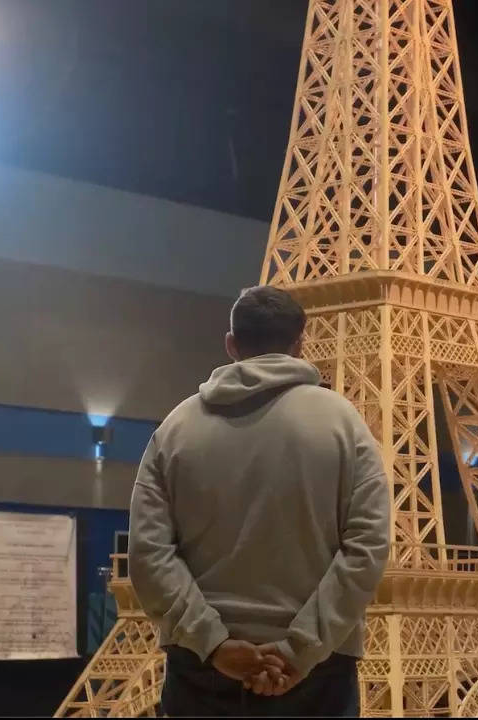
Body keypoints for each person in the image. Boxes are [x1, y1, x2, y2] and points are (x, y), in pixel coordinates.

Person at [129, 286, 391, 716]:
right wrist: (298, 649)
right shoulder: (346, 424)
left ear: (231, 344)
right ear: (300, 343)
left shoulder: (176, 429)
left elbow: (148, 554)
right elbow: (368, 548)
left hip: (202, 668)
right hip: (318, 670)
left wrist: (213, 644)